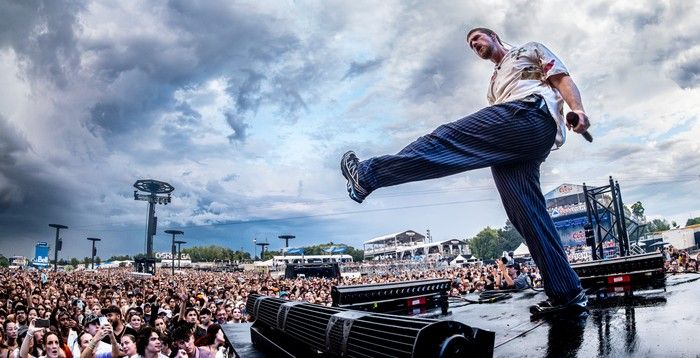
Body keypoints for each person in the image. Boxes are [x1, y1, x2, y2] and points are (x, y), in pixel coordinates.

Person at [340, 27, 588, 316]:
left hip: (530, 113)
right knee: (528, 215)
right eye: (471, 45)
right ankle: (567, 293)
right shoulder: (493, 85)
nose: (475, 45)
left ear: (493, 36)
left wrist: (578, 109)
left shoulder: (528, 50)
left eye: (477, 39)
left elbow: (561, 78)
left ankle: (368, 175)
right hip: (519, 141)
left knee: (446, 139)